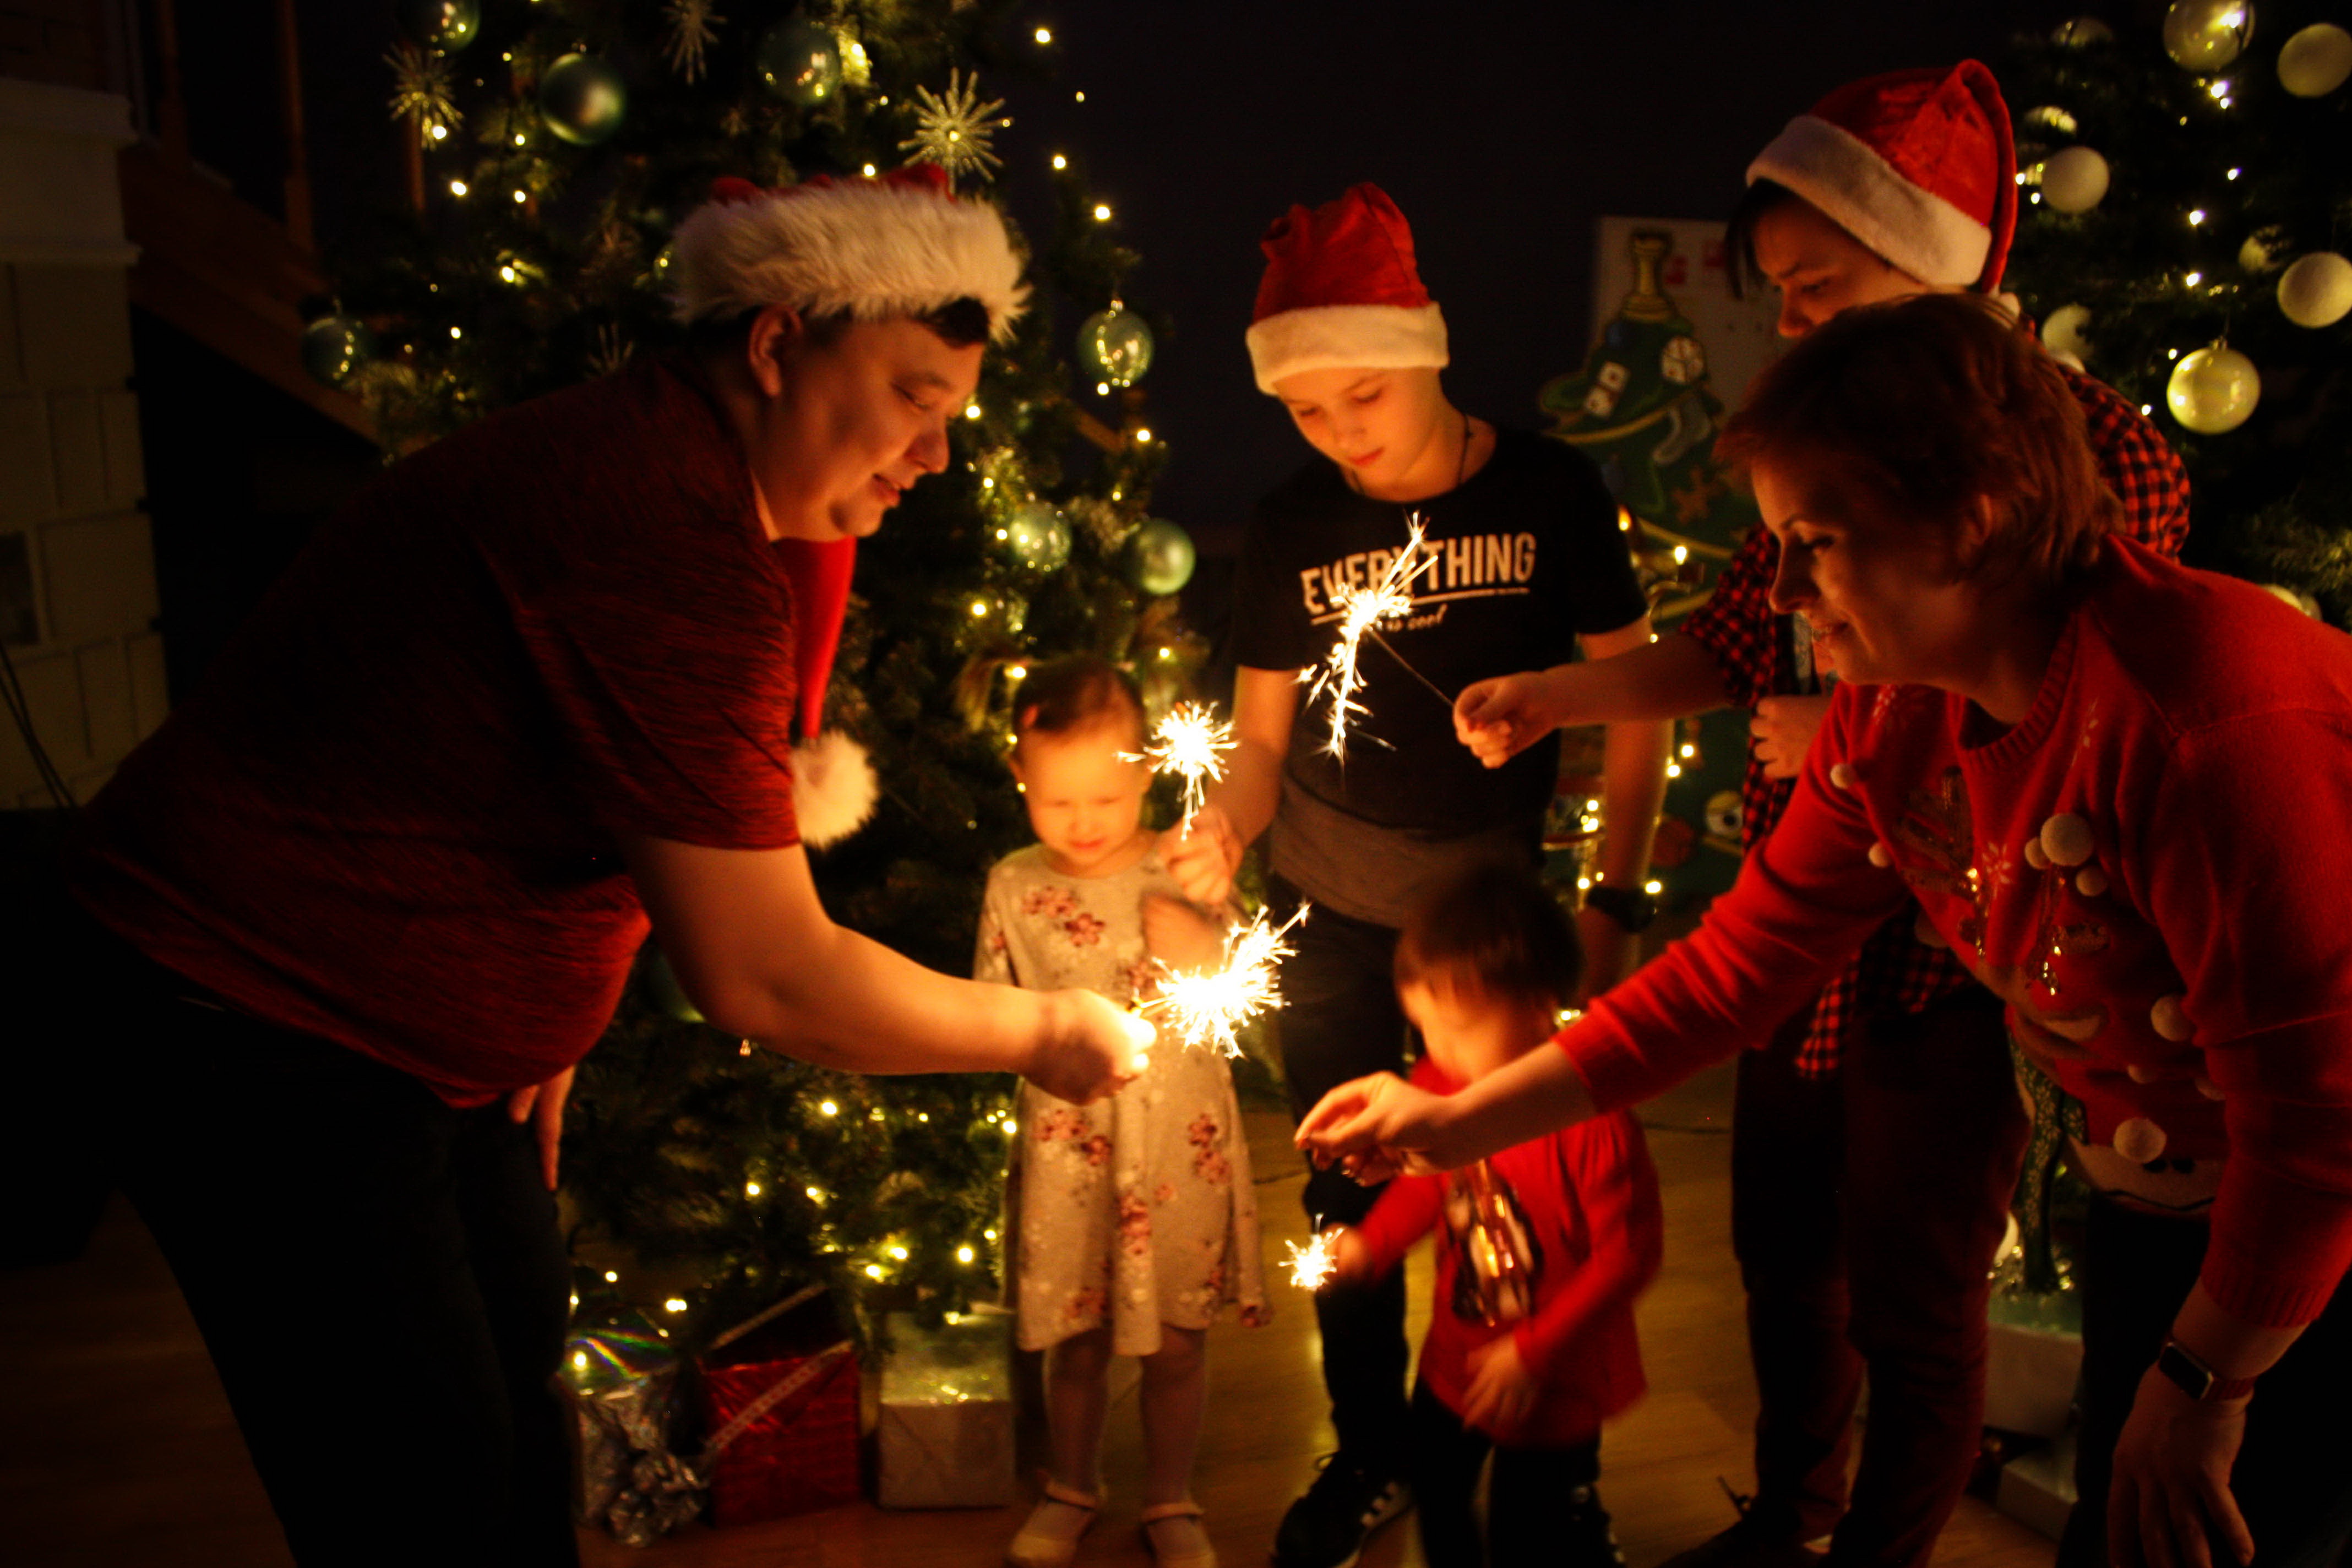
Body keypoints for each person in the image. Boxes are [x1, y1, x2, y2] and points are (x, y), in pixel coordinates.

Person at [51, 168, 1148, 1567]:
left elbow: (586, 766)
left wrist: (542, 999)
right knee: (422, 1494)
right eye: (917, 397)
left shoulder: (669, 467)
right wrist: (1046, 1025)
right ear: (774, 343)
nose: (935, 455)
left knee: (510, 1446)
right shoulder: (667, 529)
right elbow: (771, 974)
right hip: (254, 1017)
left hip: (427, 1044)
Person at [1304, 292, 2352, 1568]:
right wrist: (1457, 1118)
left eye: (1814, 540)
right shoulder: (1891, 710)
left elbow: (2317, 1131)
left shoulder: (2203, 720)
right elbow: (1738, 967)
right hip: (2172, 1213)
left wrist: (2203, 1379)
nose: (1785, 589)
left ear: (1968, 522)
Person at [1451, 63, 2191, 1568]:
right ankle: (1790, 1524)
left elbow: (2069, 698)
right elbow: (1734, 646)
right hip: (1824, 936)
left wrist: (1857, 737)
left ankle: (1885, 1546)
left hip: (1966, 959)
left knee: (1917, 1288)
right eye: (1778, 291)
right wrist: (1554, 699)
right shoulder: (1823, 455)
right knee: (1787, 1265)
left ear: (1937, 266)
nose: (1789, 320)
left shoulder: (2101, 462)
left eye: (1820, 284)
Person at [1163, 182, 1670, 1568]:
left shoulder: (1552, 492)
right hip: (1321, 913)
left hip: (1486, 936)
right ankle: (1376, 1445)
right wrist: (1224, 825)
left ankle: (1555, 1464)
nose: (1339, 434)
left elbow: (1638, 700)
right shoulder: (1288, 524)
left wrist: (1613, 898)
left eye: (1363, 396)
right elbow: (1261, 744)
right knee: (1350, 1205)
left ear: (1429, 348)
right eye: (1307, 411)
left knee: (1536, 1200)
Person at [976, 656, 1267, 1568]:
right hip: (1074, 1150)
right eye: (1056, 800)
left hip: (1179, 1143)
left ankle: (1169, 1496)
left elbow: (1254, 995)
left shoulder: (1190, 861)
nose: (1082, 822)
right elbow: (988, 1013)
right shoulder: (1013, 884)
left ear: (1146, 768)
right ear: (1021, 775)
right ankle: (1072, 1484)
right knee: (1079, 1335)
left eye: (1103, 797)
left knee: (1178, 1338)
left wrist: (1209, 941)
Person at [1317, 862, 1662, 1568]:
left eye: (1461, 1026)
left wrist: (1533, 1351)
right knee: (1439, 1496)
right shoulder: (1440, 1082)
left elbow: (1628, 1255)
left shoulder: (1589, 1117)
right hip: (1456, 1357)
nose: (1438, 1051)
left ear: (1538, 1007)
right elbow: (1427, 1183)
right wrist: (1372, 1244)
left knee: (1528, 1532)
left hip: (1555, 1377)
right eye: (1424, 1027)